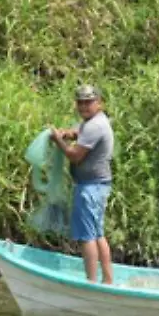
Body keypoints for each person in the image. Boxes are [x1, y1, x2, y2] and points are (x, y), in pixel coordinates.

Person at [51, 85, 115, 285]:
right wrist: (68, 134)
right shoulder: (94, 122)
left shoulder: (94, 126)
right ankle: (107, 280)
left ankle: (91, 282)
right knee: (97, 234)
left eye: (89, 102)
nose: (84, 106)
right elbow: (79, 133)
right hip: (98, 186)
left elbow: (75, 156)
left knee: (87, 236)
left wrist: (57, 140)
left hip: (90, 187)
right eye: (80, 102)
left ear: (99, 103)